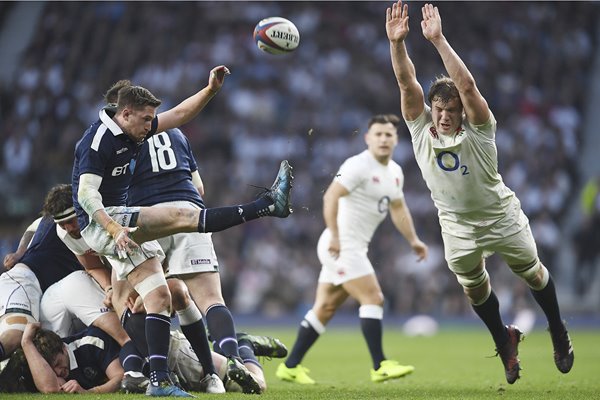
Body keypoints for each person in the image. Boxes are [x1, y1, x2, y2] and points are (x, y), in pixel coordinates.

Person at [72, 66, 292, 397]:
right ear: (126, 113)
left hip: (123, 219)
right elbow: (87, 196)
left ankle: (159, 383)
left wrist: (210, 91)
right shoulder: (98, 140)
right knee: (182, 217)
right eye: (146, 120)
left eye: (151, 120)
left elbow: (178, 114)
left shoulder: (135, 128)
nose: (151, 127)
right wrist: (115, 229)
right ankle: (264, 205)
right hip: (104, 223)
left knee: (161, 295)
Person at [385, 1, 574, 384]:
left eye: (450, 109)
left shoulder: (480, 131)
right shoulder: (421, 132)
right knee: (474, 290)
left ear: (461, 111)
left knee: (534, 276)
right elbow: (407, 84)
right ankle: (505, 343)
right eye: (438, 108)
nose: (442, 115)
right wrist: (397, 44)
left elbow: (467, 86)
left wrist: (437, 40)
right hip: (456, 224)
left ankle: (557, 328)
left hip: (500, 215)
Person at [276, 114, 428, 384]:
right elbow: (331, 196)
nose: (383, 139)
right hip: (342, 245)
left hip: (352, 246)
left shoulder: (394, 172)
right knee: (374, 298)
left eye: (388, 134)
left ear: (395, 139)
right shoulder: (357, 165)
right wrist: (335, 235)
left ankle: (290, 366)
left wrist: (414, 240)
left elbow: (398, 209)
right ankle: (380, 365)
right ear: (368, 138)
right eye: (378, 134)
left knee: (324, 308)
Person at [0, 184, 148, 392]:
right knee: (18, 333)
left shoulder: (95, 223)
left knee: (55, 367)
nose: (69, 227)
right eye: (64, 223)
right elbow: (36, 225)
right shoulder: (64, 226)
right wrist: (19, 252)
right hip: (26, 279)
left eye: (71, 221)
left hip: (48, 300)